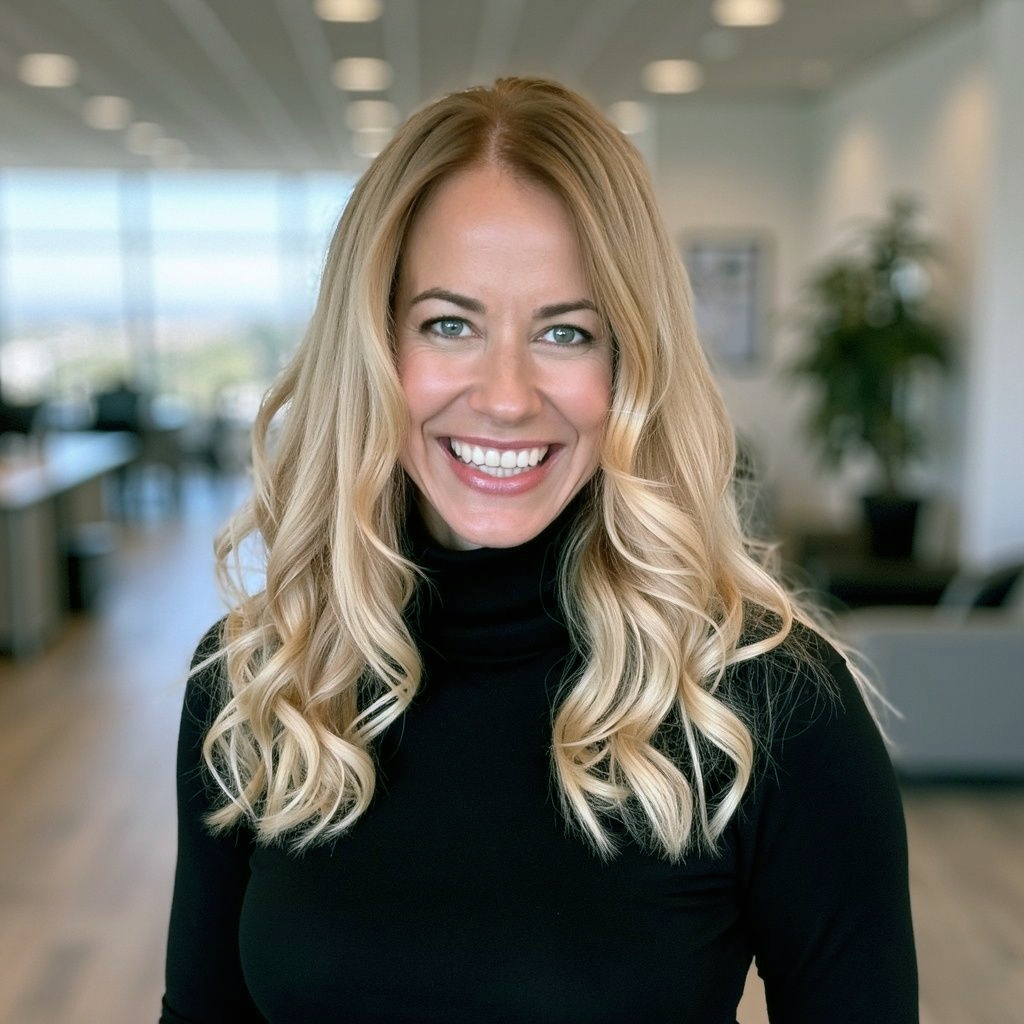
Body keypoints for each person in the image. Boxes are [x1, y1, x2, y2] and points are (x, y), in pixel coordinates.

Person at [161, 78, 917, 1023]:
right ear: (375, 348)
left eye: (566, 332)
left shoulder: (770, 703)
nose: (508, 395)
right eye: (450, 324)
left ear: (629, 364)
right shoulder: (258, 683)